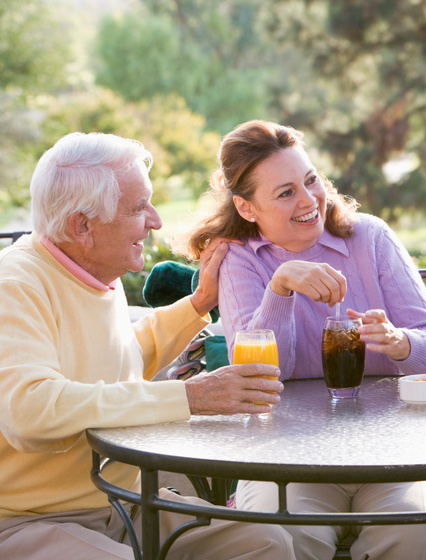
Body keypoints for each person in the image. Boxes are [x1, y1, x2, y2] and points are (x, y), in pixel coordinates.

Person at [0, 132, 294, 559]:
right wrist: (190, 396)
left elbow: (117, 359)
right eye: (139, 208)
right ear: (83, 226)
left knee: (265, 543)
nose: (155, 220)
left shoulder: (94, 269)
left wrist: (198, 304)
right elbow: (29, 410)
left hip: (124, 504)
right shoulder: (15, 285)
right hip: (28, 519)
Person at [183, 120, 426, 560]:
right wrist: (280, 288)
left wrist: (400, 342)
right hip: (286, 457)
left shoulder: (370, 237)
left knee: (414, 538)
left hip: (395, 451)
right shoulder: (239, 260)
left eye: (311, 181)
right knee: (282, 542)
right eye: (285, 192)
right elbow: (259, 375)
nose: (309, 201)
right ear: (247, 208)